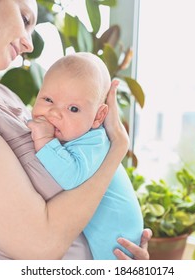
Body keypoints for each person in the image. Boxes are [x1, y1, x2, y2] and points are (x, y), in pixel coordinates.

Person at [0, 0, 151, 260]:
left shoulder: (4, 96)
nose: (29, 45)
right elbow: (41, 246)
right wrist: (117, 150)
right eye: (24, 18)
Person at [27, 52, 144, 260]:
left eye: (73, 108)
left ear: (98, 116)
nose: (54, 113)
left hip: (117, 241)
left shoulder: (94, 142)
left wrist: (45, 141)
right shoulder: (76, 133)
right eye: (47, 99)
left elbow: (71, 177)